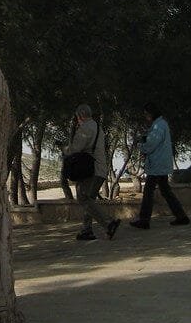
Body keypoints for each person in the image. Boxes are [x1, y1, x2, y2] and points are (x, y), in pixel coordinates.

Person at [63, 104, 121, 241]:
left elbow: (75, 148)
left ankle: (109, 223)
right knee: (89, 200)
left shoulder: (85, 128)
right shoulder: (97, 127)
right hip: (100, 169)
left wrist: (64, 150)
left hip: (90, 170)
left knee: (83, 199)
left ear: (80, 115)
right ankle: (87, 230)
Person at [130, 103, 190, 229]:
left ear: (150, 114)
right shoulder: (160, 125)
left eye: (146, 114)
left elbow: (151, 144)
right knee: (165, 191)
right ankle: (181, 216)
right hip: (160, 164)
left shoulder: (158, 126)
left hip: (157, 165)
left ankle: (144, 220)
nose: (145, 117)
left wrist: (141, 146)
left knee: (148, 191)